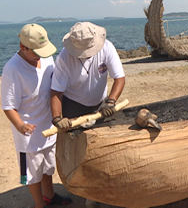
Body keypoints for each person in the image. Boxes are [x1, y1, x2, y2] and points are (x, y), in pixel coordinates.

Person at [1, 24, 72, 208]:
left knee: (47, 167)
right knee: (31, 173)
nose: (41, 54)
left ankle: (49, 195)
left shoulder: (47, 58)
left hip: (48, 127)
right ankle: (39, 204)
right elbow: (8, 106)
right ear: (23, 47)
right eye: (36, 51)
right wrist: (20, 126)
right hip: (28, 135)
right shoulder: (12, 69)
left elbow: (56, 84)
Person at [50, 21, 125, 132]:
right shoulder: (64, 58)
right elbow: (56, 91)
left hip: (101, 103)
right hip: (73, 106)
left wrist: (111, 101)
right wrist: (57, 118)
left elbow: (119, 78)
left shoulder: (107, 48)